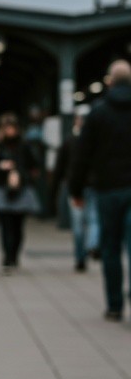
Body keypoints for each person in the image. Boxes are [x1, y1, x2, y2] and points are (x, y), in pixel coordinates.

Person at [69, 59, 131, 321]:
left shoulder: (98, 112)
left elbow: (83, 155)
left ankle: (115, 305)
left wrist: (76, 190)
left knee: (110, 248)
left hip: (107, 189)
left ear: (109, 82)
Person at [0, 112, 41, 273]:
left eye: (12, 128)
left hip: (21, 189)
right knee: (5, 226)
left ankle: (14, 255)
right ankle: (7, 257)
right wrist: (0, 166)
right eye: (7, 128)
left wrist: (22, 174)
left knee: (18, 227)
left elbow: (34, 165)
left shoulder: (24, 145)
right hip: (2, 189)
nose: (10, 131)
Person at [54, 111, 99, 272]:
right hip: (93, 186)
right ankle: (92, 245)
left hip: (75, 187)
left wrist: (59, 186)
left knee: (78, 224)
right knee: (93, 220)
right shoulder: (97, 142)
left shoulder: (70, 141)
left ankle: (81, 256)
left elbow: (61, 165)